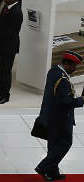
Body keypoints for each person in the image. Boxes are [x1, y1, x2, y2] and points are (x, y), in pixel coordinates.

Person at [35, 50, 84, 181]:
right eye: (74, 66)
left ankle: (52, 171)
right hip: (60, 119)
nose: (75, 69)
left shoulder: (54, 71)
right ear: (67, 64)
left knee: (53, 145)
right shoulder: (62, 79)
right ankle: (43, 167)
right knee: (65, 144)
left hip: (49, 115)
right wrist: (81, 100)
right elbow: (64, 102)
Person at [0, 0, 22, 104]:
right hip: (1, 45)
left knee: (6, 71)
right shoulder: (6, 8)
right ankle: (1, 90)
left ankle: (5, 95)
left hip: (8, 46)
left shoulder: (16, 12)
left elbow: (10, 31)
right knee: (0, 69)